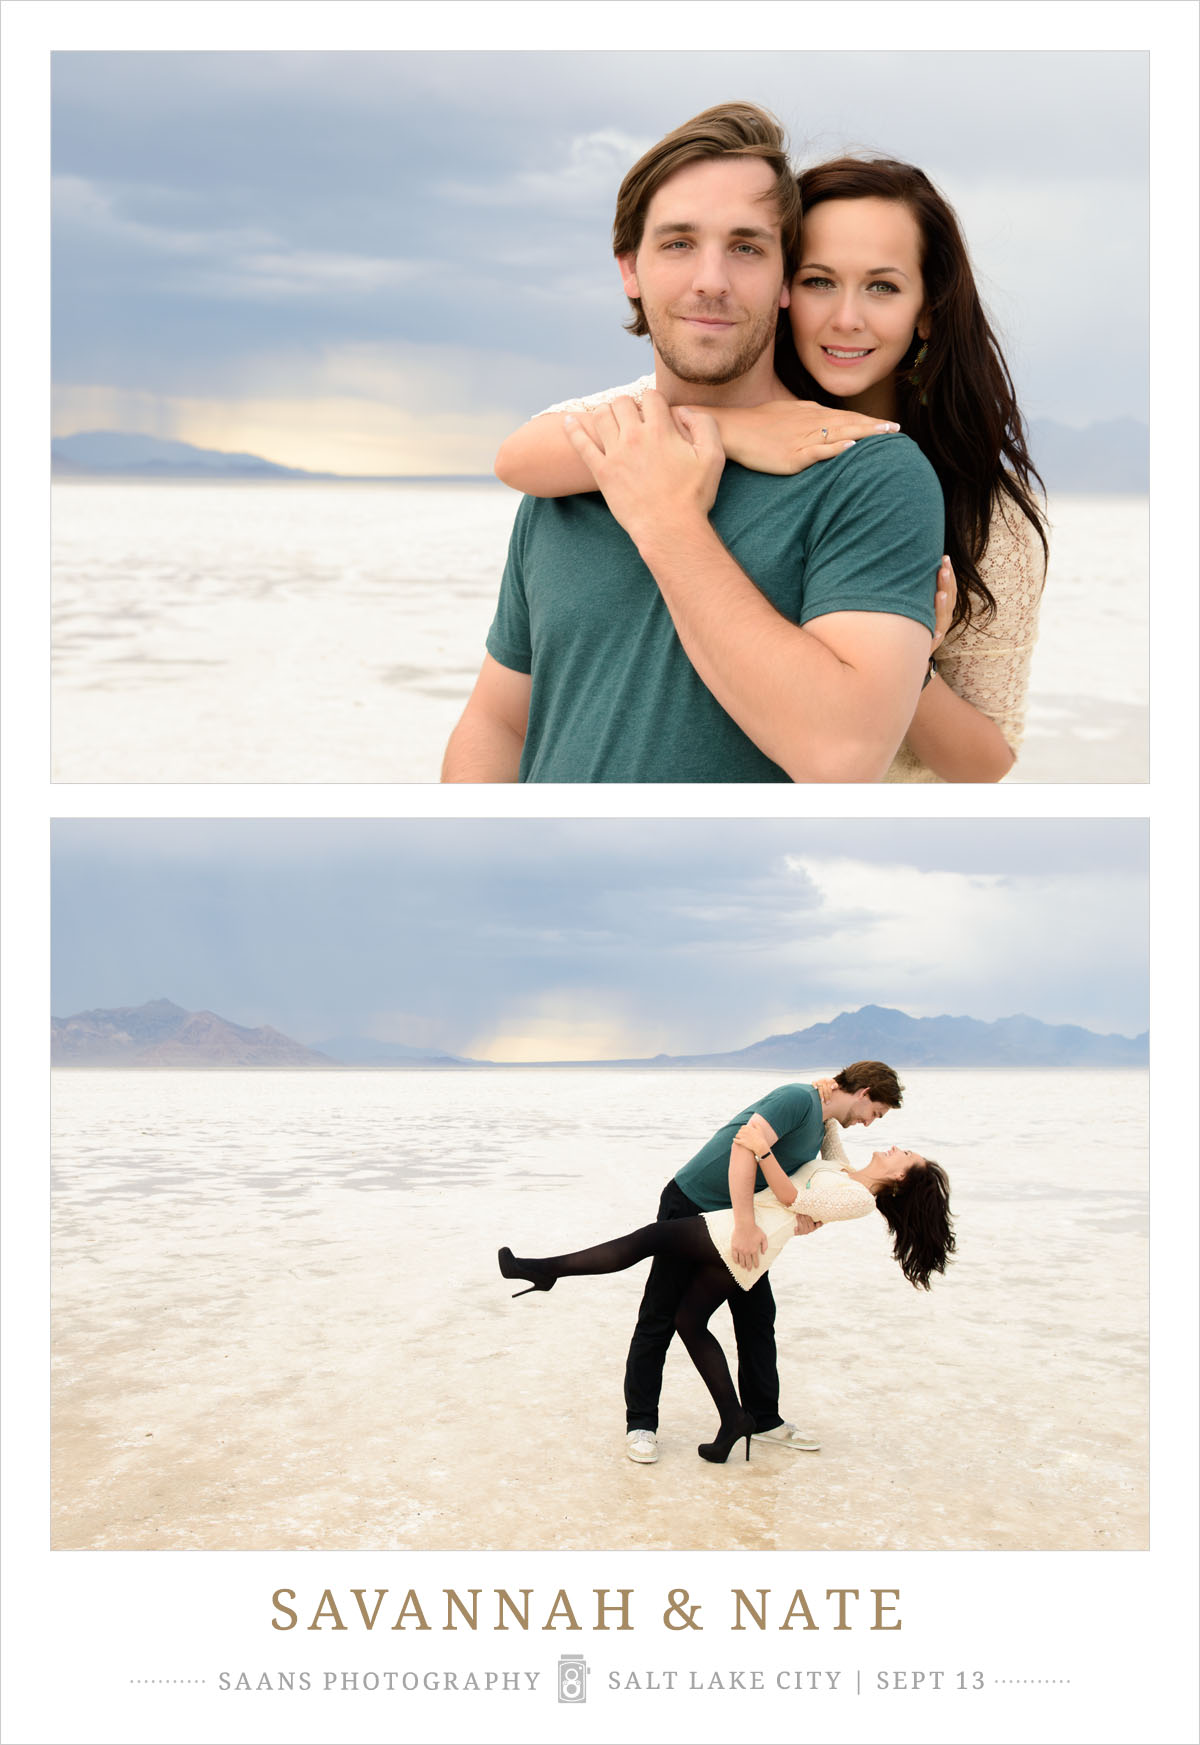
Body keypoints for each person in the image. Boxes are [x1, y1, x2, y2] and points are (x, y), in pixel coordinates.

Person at [489, 155, 1048, 784]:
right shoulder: (703, 407)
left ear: (927, 309)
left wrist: (906, 669)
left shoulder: (975, 507)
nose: (847, 318)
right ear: (783, 288)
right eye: (818, 281)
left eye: (883, 286)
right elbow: (520, 455)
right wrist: (734, 427)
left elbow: (988, 760)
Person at [499, 1140, 954, 1464]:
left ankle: (545, 1270)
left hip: (741, 1235)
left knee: (649, 1240)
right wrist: (825, 1097)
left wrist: (763, 1149)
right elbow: (831, 1140)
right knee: (689, 1322)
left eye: (906, 1155)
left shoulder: (858, 1198)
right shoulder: (848, 1175)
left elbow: (791, 1195)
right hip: (750, 1244)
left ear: (898, 1178)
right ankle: (733, 1419)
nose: (896, 1146)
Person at [620, 1062, 903, 1466]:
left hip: (739, 1218)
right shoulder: (795, 1099)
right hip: (694, 1204)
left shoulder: (822, 1120)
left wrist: (811, 1213)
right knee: (659, 1316)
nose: (870, 1124)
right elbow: (744, 1147)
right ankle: (641, 1424)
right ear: (864, 1092)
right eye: (874, 1112)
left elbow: (829, 1174)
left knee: (756, 1316)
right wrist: (745, 1224)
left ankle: (762, 1418)